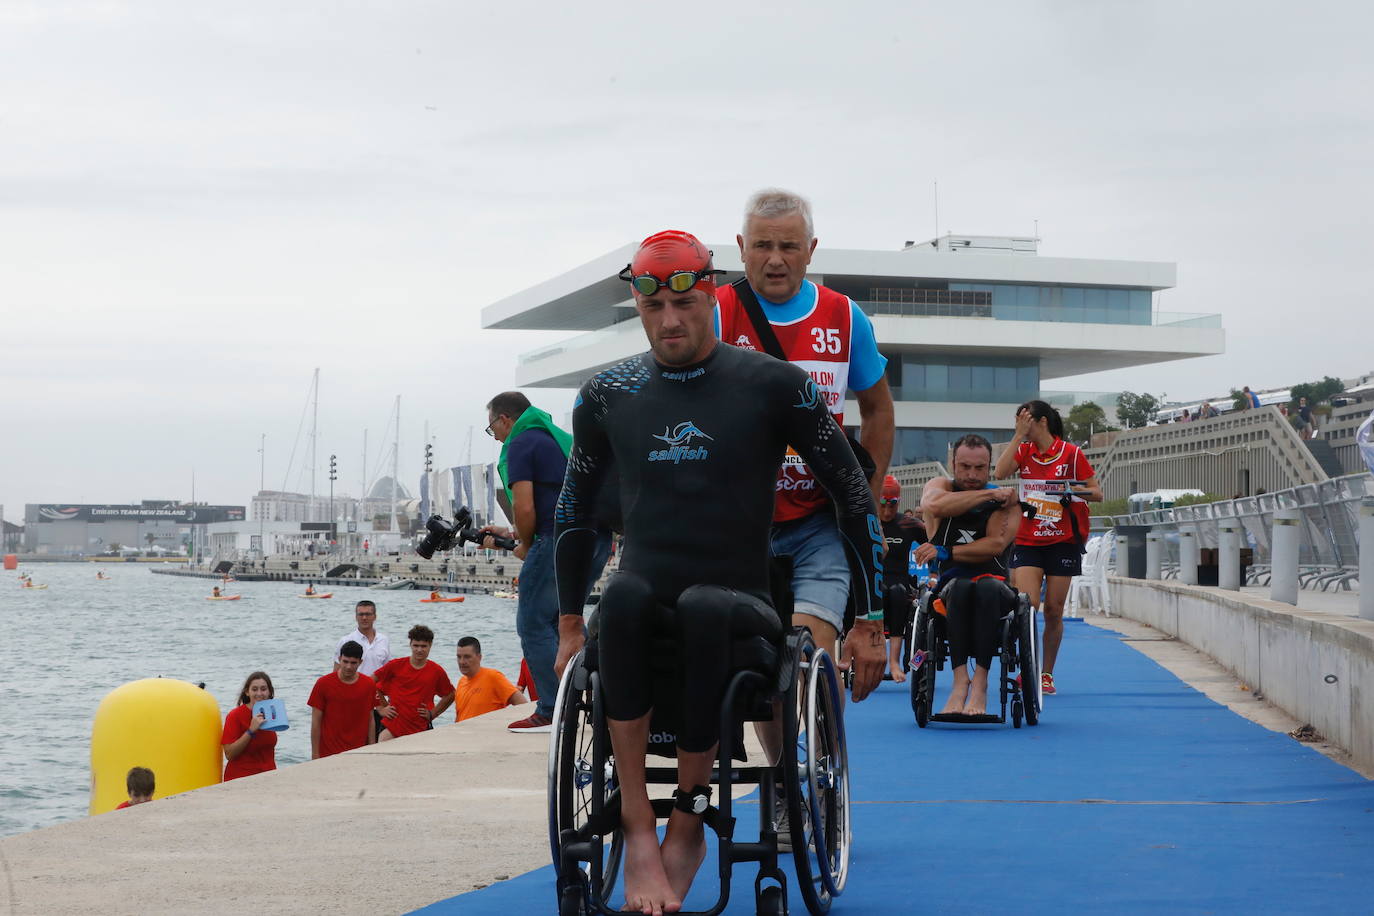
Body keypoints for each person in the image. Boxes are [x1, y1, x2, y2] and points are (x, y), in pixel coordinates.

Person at [553, 229, 886, 914]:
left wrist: (872, 616)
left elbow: (853, 494)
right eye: (654, 310)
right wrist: (564, 625)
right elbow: (572, 511)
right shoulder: (608, 394)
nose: (670, 323)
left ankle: (688, 824)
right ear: (638, 308)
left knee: (704, 605)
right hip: (642, 601)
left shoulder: (773, 386)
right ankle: (639, 828)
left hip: (741, 607)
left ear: (709, 293)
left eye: (685, 304)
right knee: (619, 602)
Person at [714, 187, 894, 671]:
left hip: (820, 520)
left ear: (810, 250)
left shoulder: (843, 315)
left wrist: (866, 495)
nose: (775, 260)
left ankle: (820, 741)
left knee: (810, 659)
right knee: (759, 666)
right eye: (762, 246)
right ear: (742, 247)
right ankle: (782, 752)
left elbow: (877, 408)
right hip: (739, 524)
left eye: (789, 247)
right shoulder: (714, 313)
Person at [479, 390, 610, 734]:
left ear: (505, 419)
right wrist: (513, 536)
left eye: (492, 427)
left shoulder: (522, 443)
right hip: (595, 538)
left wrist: (524, 543)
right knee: (564, 618)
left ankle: (552, 710)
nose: (495, 435)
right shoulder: (557, 440)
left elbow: (525, 507)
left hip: (558, 538)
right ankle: (594, 697)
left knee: (533, 622)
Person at [993, 400, 1102, 696]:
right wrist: (1016, 436)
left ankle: (1046, 673)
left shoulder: (1071, 453)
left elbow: (1096, 492)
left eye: (1023, 421)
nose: (1019, 426)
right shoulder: (1025, 451)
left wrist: (1067, 489)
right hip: (1028, 540)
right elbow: (1000, 473)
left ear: (1040, 421)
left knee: (1054, 610)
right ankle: (1024, 668)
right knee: (1027, 606)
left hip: (1062, 541)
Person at [915, 435, 1022, 715]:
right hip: (952, 586)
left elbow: (995, 545)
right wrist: (989, 494)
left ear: (989, 466)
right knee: (961, 587)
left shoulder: (1007, 500)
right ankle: (960, 681)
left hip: (995, 584)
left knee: (984, 586)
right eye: (965, 467)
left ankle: (981, 684)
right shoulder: (941, 487)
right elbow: (935, 506)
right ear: (953, 464)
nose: (972, 475)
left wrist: (946, 552)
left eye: (979, 468)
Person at [878, 474, 925, 682]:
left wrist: (933, 573)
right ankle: (874, 658)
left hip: (900, 582)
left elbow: (932, 543)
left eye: (893, 505)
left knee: (896, 592)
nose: (887, 511)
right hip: (874, 582)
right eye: (883, 505)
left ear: (898, 501)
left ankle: (894, 662)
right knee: (876, 592)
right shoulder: (865, 521)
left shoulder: (909, 525)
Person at [372, 625, 455, 740]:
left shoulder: (436, 671)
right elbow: (369, 682)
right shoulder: (395, 665)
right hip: (392, 726)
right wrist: (381, 708)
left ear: (430, 645)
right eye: (416, 645)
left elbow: (450, 694)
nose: (419, 650)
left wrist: (433, 713)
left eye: (423, 646)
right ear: (410, 644)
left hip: (421, 728)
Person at [308, 640, 377, 758]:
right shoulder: (323, 683)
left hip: (359, 751)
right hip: (328, 752)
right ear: (339, 659)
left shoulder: (369, 684)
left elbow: (370, 719)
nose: (348, 667)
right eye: (345, 661)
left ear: (360, 662)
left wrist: (372, 748)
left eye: (353, 663)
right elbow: (316, 722)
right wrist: (315, 754)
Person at [452, 636, 528, 722]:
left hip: (486, 733)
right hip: (464, 733)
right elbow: (459, 717)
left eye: (467, 657)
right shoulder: (461, 682)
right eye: (459, 657)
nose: (462, 662)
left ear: (479, 657)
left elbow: (522, 704)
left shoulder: (493, 677)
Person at [221, 671, 278, 780]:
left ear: (270, 692)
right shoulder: (235, 716)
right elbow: (229, 754)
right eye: (254, 689)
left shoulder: (271, 714)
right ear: (247, 692)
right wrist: (250, 731)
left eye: (263, 689)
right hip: (241, 779)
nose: (259, 693)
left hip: (268, 778)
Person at [335, 600, 390, 677]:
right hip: (353, 687)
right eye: (361, 614)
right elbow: (336, 672)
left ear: (375, 617)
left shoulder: (384, 640)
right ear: (356, 617)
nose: (364, 618)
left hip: (377, 688)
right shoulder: (345, 640)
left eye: (368, 614)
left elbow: (386, 670)